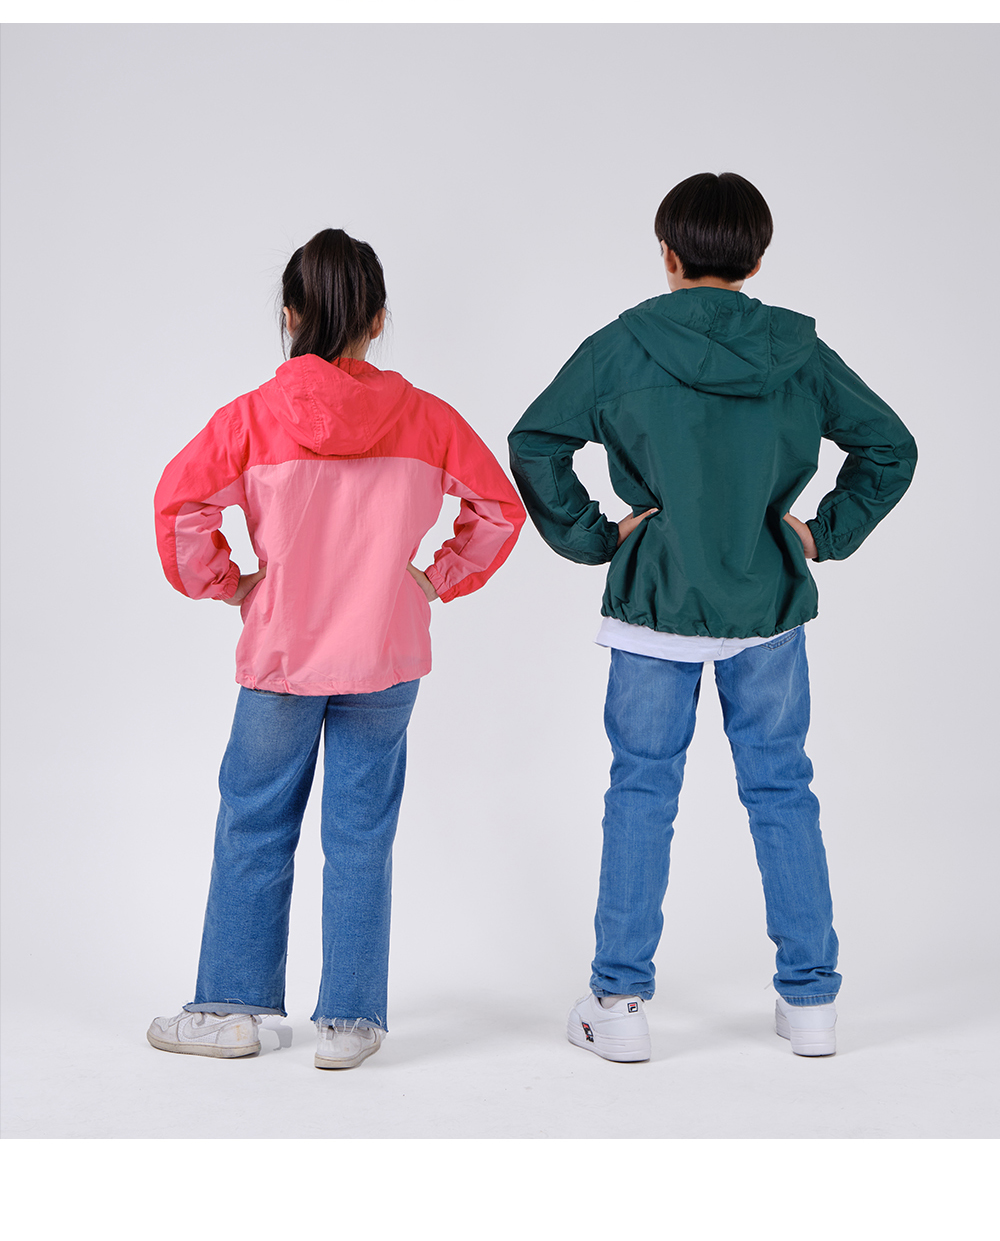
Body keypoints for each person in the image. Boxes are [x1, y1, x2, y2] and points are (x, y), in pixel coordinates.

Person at [508, 172, 916, 1061]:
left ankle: (618, 1004)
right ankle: (811, 1003)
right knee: (782, 790)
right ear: (757, 260)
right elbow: (890, 446)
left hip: (654, 603)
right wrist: (822, 533)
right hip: (766, 605)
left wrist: (596, 536)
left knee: (641, 791)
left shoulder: (623, 345)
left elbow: (536, 442)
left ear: (667, 254)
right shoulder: (797, 351)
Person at [149, 228, 525, 1069]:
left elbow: (178, 509)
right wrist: (433, 580)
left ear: (289, 315)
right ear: (379, 319)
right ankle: (351, 1021)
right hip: (386, 655)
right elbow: (500, 510)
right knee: (361, 834)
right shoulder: (427, 418)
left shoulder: (251, 417)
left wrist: (231, 583)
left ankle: (232, 1009)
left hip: (282, 655)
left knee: (254, 821)